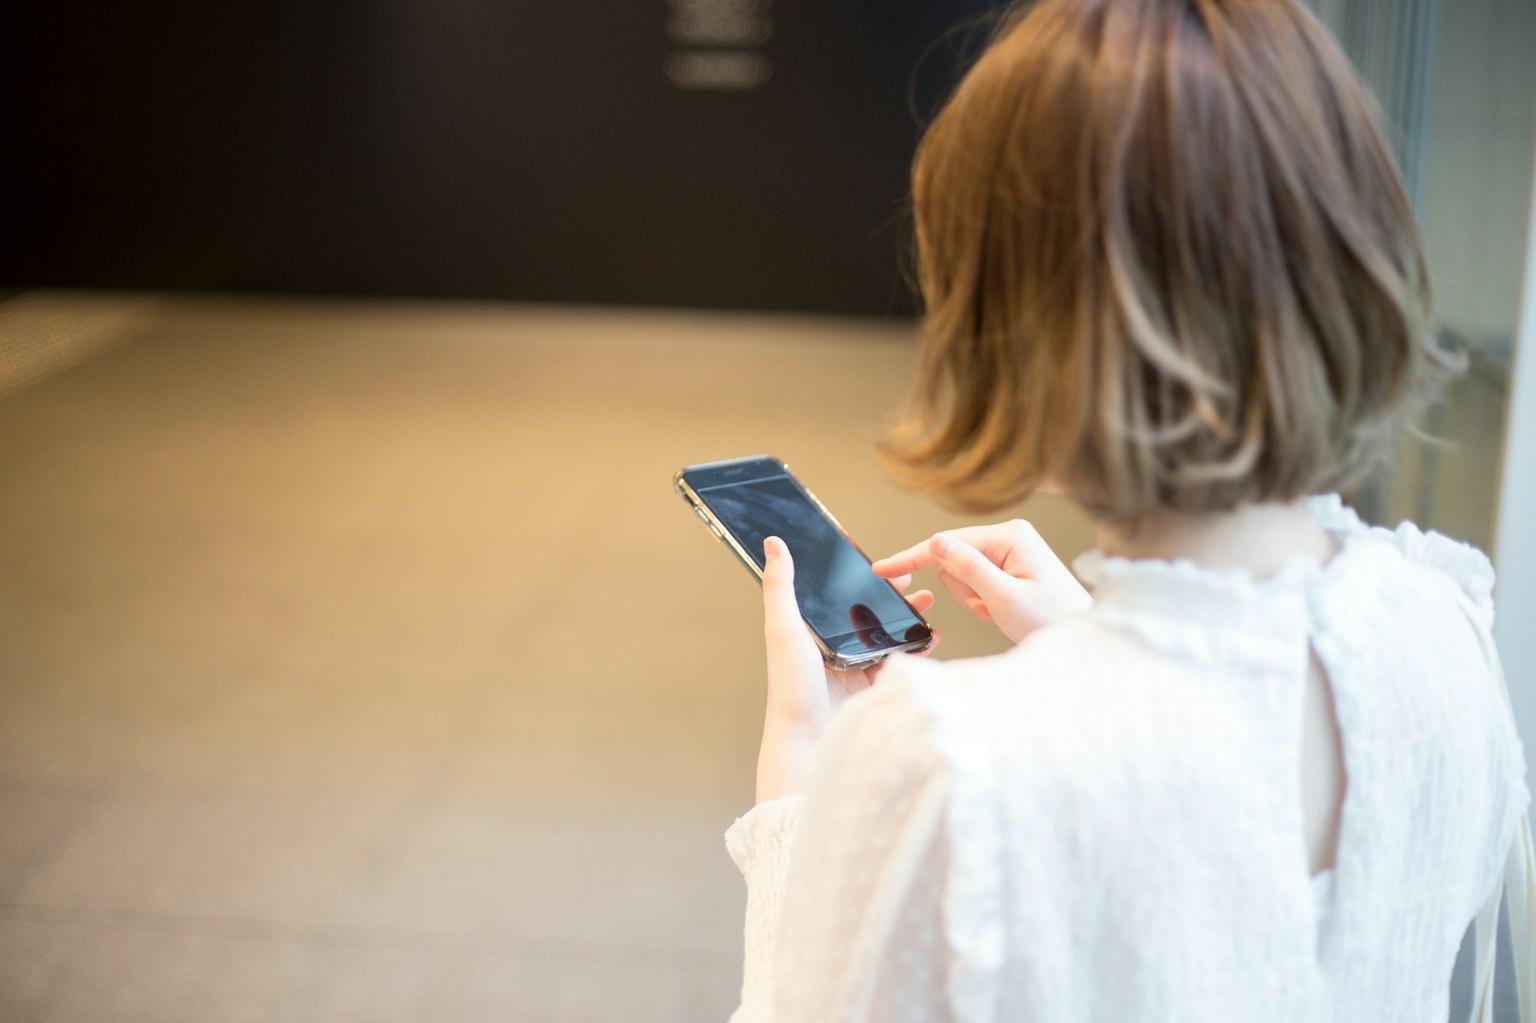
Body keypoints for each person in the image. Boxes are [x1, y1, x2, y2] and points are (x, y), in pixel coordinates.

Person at [722, 1, 1536, 1020]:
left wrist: (806, 769)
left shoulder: (955, 766)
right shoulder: (1443, 623)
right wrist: (1101, 649)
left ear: (1019, 322)